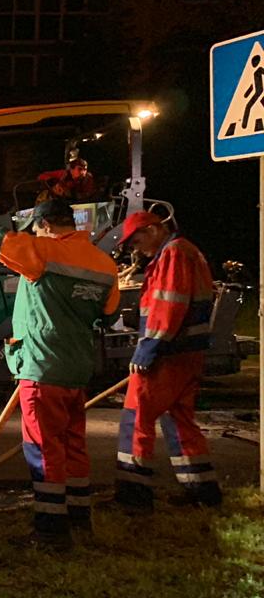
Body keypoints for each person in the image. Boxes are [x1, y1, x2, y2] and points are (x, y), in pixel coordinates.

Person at [0, 196, 120, 549]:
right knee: (73, 446)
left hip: (43, 367)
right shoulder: (104, 264)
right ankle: (79, 520)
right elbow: (106, 316)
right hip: (77, 369)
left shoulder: (44, 253)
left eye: (37, 230)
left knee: (44, 449)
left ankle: (50, 531)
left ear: (44, 226)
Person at [111, 211, 221, 511]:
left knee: (137, 417)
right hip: (188, 352)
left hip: (168, 354)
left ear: (155, 229)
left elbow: (168, 304)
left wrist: (148, 348)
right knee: (180, 419)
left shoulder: (172, 254)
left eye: (137, 240)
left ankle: (134, 496)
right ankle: (203, 492)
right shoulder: (188, 251)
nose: (136, 249)